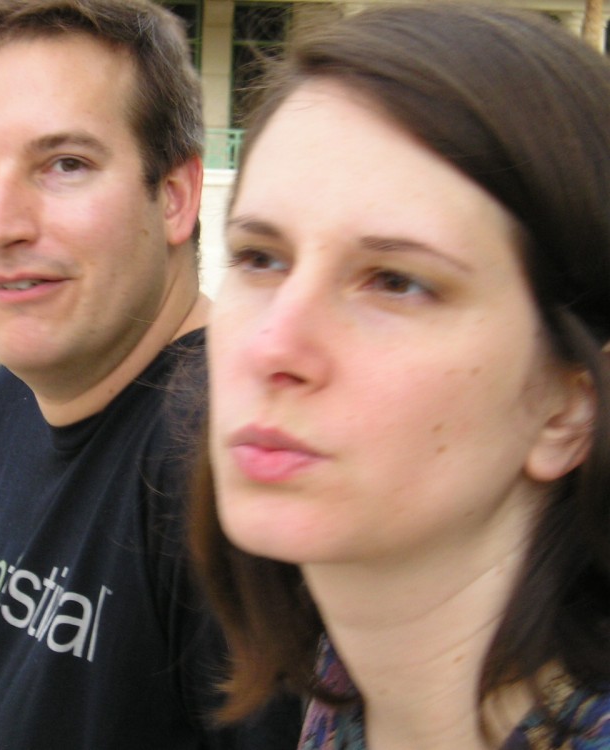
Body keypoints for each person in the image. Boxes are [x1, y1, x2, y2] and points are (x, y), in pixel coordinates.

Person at [189, 4, 610, 749]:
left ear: (567, 408)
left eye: (396, 282)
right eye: (261, 258)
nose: (272, 344)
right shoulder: (341, 692)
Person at [0, 1, 301, 747]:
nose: (0, 225)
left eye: (65, 165)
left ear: (176, 197)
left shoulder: (224, 456)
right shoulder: (13, 401)